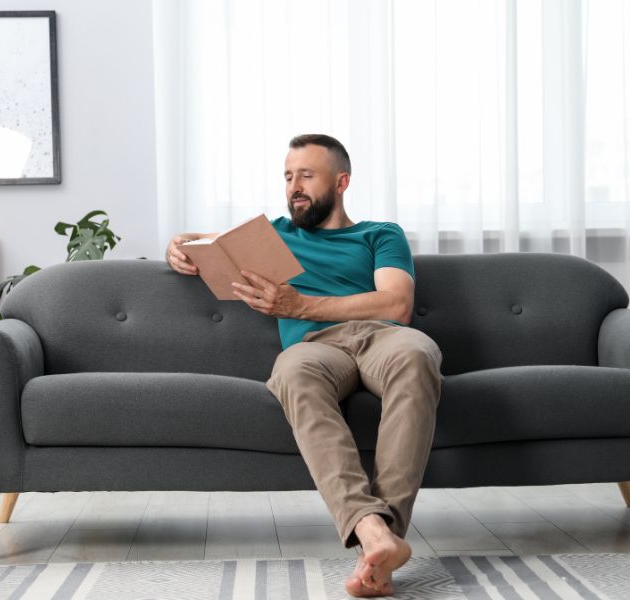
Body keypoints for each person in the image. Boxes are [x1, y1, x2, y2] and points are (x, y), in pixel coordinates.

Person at [165, 134, 443, 597]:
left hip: (383, 337)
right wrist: (177, 245)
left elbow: (397, 304)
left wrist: (301, 304)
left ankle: (377, 547)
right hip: (314, 348)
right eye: (288, 177)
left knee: (416, 356)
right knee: (292, 373)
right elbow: (206, 244)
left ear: (342, 182)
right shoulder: (272, 236)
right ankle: (374, 534)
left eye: (307, 176)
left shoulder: (380, 234)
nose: (294, 187)